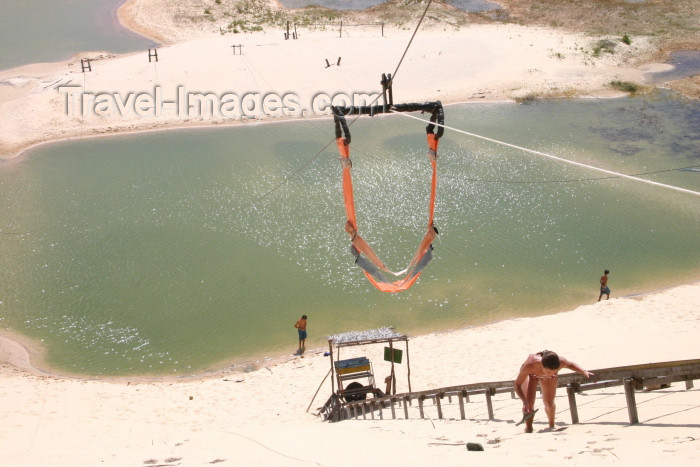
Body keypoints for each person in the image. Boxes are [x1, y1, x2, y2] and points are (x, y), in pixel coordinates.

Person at [514, 350, 593, 433]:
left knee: (549, 403)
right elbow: (517, 385)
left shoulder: (561, 362)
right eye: (548, 371)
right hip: (532, 375)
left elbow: (571, 364)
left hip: (545, 377)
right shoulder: (531, 365)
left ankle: (551, 425)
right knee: (529, 405)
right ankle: (529, 428)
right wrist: (524, 401)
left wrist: (584, 371)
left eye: (554, 372)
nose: (551, 374)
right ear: (541, 365)